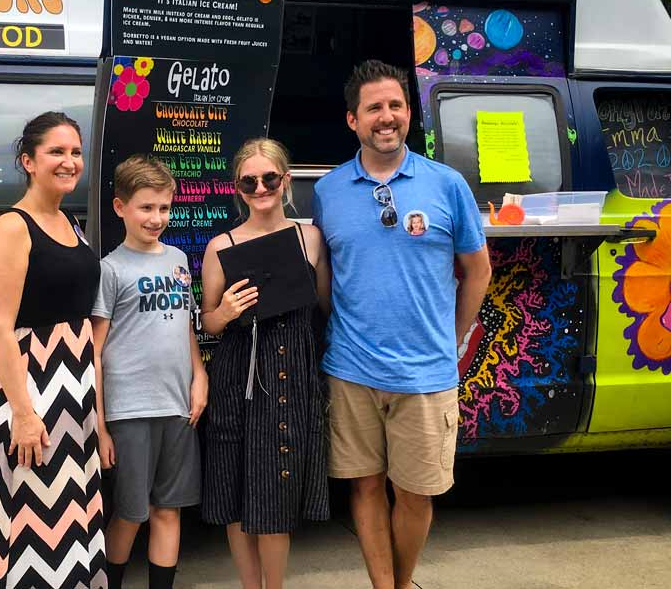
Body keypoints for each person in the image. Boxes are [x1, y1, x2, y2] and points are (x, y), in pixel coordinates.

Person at [312, 60, 492, 589]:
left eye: (395, 106)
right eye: (374, 108)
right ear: (353, 120)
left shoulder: (447, 183)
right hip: (351, 369)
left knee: (416, 494)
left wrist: (454, 336)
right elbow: (327, 274)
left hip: (425, 374)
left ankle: (402, 581)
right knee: (364, 488)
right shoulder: (328, 190)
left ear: (408, 112)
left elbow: (477, 270)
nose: (386, 117)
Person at [0, 112, 106, 589]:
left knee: (72, 515)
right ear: (28, 161)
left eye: (75, 151)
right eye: (57, 151)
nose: (70, 161)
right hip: (31, 387)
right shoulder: (14, 226)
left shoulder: (68, 221)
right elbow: (1, 328)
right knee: (27, 518)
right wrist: (24, 415)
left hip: (71, 384)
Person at [200, 138, 331, 589]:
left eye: (269, 178)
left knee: (277, 492)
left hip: (292, 372)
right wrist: (227, 311)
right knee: (237, 490)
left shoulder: (310, 237)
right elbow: (209, 322)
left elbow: (325, 305)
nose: (260, 188)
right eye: (249, 181)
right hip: (240, 376)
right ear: (238, 187)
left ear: (286, 180)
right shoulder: (221, 246)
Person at [91, 155, 208, 589]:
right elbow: (96, 352)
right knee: (130, 512)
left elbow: (186, 329)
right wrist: (100, 425)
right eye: (146, 207)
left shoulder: (178, 260)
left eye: (163, 207)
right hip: (129, 412)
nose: (156, 217)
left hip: (177, 406)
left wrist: (200, 376)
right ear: (121, 207)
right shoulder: (111, 269)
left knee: (168, 509)